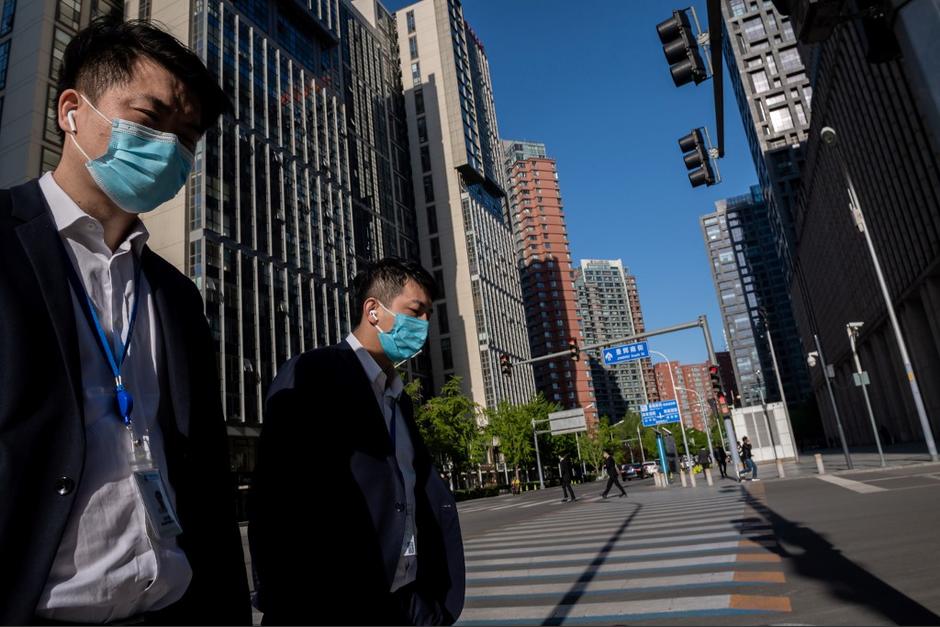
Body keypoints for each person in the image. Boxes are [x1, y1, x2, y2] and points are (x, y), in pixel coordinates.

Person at [0, 18, 250, 625]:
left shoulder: (176, 295)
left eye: (186, 136)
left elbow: (205, 480)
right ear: (71, 111)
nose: (170, 147)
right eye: (149, 118)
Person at [249, 259, 465, 625]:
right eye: (416, 312)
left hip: (405, 602)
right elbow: (274, 496)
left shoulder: (399, 397)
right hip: (332, 605)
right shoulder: (313, 373)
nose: (424, 325)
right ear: (373, 311)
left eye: (429, 314)